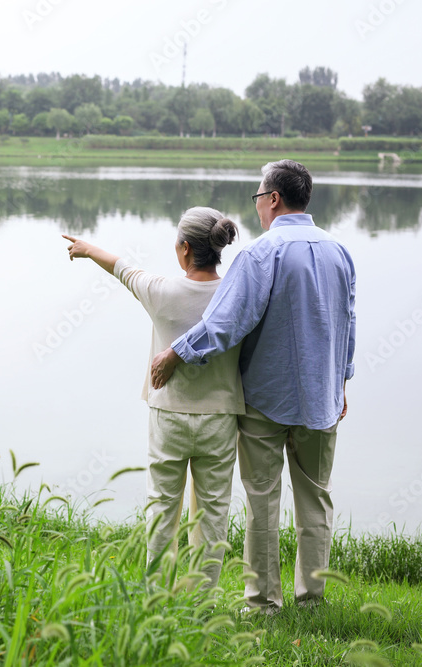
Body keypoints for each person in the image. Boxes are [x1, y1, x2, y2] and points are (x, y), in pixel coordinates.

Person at [150, 159, 356, 614]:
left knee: (263, 501)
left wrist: (175, 353)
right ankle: (311, 601)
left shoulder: (260, 254)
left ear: (273, 199)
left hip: (266, 398)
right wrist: (342, 380)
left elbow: (224, 323)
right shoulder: (340, 252)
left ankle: (264, 602)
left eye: (258, 198)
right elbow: (347, 322)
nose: (258, 208)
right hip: (323, 398)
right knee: (315, 501)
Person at [62, 207, 244, 588]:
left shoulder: (162, 291)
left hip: (169, 418)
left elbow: (122, 268)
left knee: (162, 508)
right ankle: (203, 601)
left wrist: (86, 248)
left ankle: (156, 593)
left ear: (184, 249)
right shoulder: (236, 297)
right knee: (213, 515)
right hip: (221, 419)